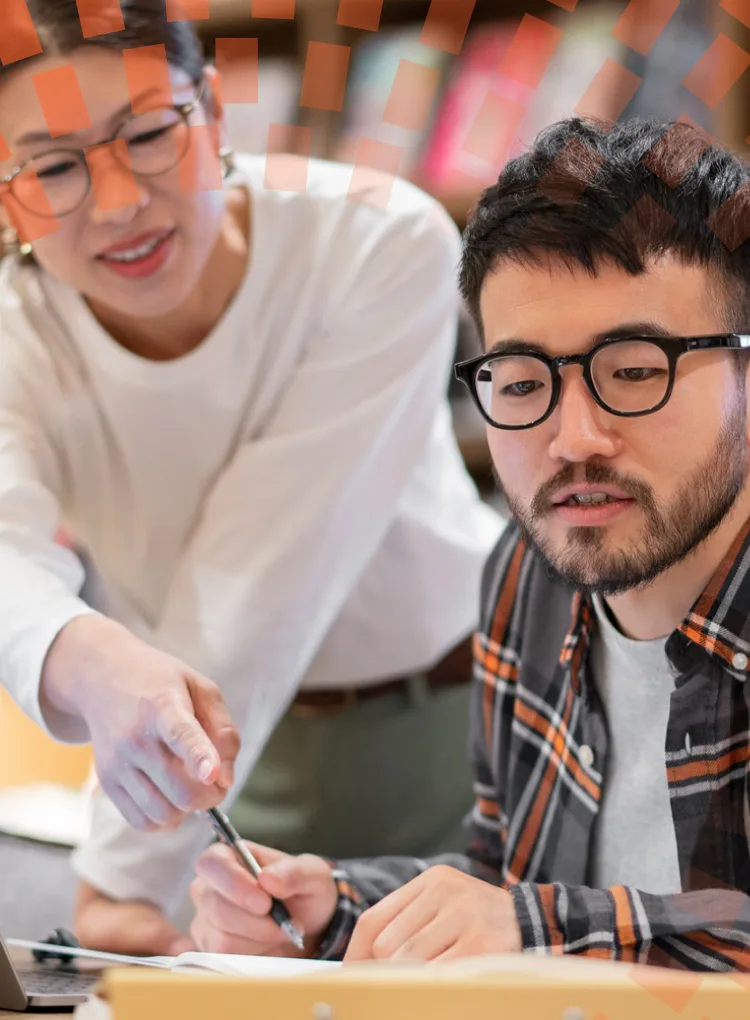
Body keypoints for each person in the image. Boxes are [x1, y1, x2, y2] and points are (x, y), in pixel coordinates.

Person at [187, 116, 750, 972]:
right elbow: (505, 877)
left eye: (635, 370)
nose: (574, 439)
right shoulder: (529, 574)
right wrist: (337, 910)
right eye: (522, 381)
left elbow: (536, 918)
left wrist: (527, 926)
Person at [0, 0, 502, 954]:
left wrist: (116, 872)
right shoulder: (15, 336)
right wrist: (89, 654)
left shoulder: (379, 242)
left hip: (456, 738)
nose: (118, 202)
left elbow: (267, 568)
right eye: (54, 165)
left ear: (216, 113)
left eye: (148, 134)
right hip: (220, 766)